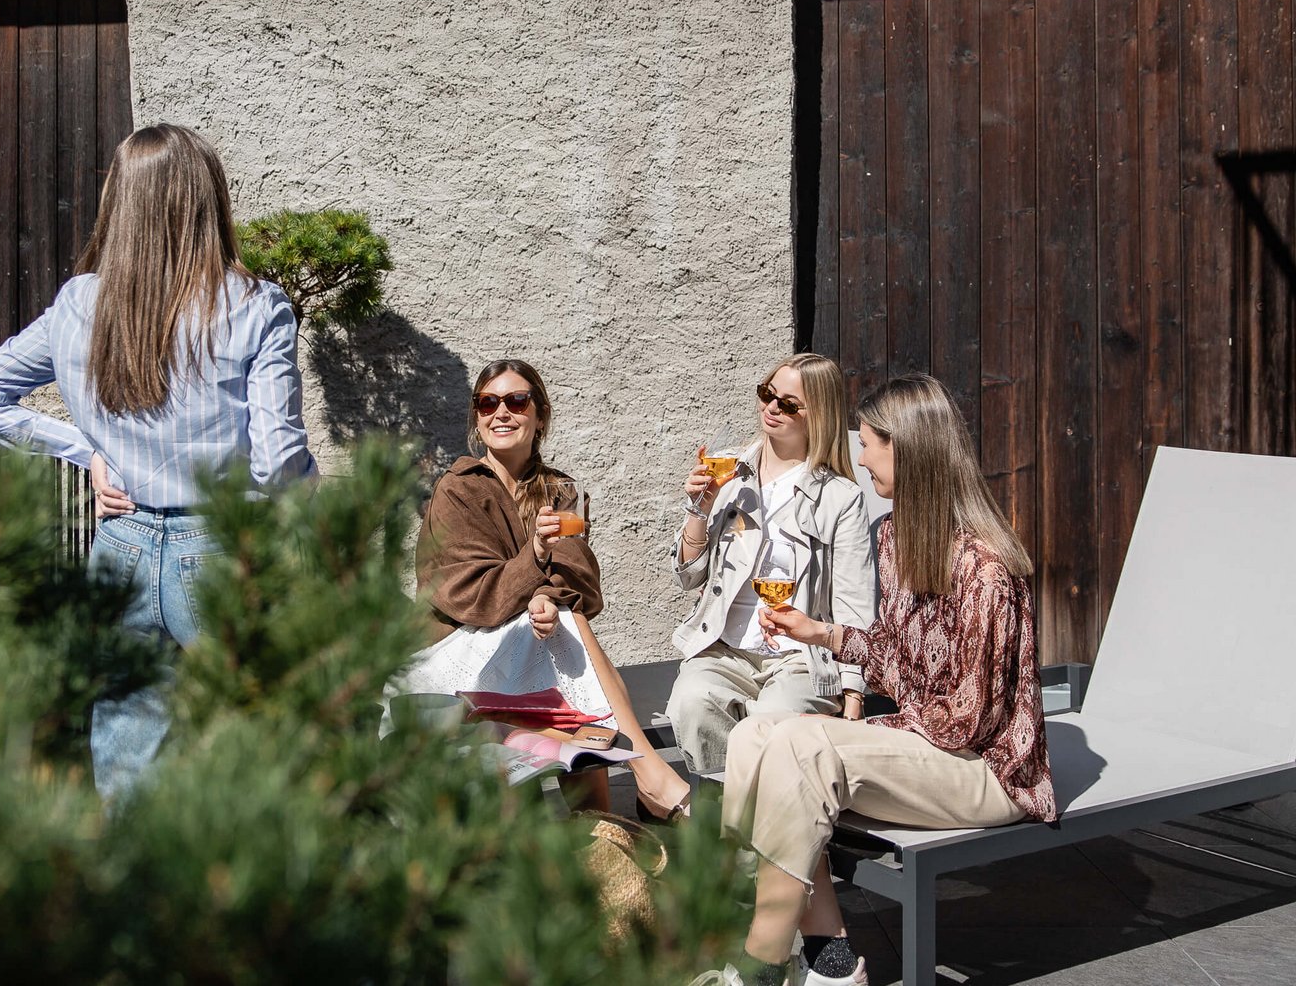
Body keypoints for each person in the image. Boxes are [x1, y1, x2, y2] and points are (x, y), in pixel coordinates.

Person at [0, 123, 316, 801]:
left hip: (122, 547)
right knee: (268, 743)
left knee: (126, 749)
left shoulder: (79, 303)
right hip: (223, 547)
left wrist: (88, 451)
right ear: (209, 199)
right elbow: (277, 464)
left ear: (120, 199)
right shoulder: (256, 305)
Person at [696, 373, 1055, 986]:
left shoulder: (985, 569)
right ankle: (833, 959)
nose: (860, 460)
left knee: (804, 746)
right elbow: (899, 654)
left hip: (988, 771)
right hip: (928, 739)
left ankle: (759, 960)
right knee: (759, 735)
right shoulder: (896, 536)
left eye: (869, 446)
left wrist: (858, 730)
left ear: (911, 450)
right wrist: (822, 633)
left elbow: (967, 721)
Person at [411, 359, 694, 820]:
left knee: (566, 623)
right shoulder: (457, 490)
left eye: (516, 400)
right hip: (459, 650)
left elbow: (583, 580)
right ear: (477, 418)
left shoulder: (561, 491)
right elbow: (470, 595)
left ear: (539, 415)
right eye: (487, 403)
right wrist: (538, 564)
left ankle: (603, 836)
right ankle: (641, 779)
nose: (501, 412)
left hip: (535, 641)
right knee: (569, 626)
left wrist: (546, 596)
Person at [666, 354, 874, 774]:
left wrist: (853, 696)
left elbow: (856, 606)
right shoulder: (730, 477)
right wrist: (699, 509)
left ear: (820, 415)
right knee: (692, 702)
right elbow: (688, 576)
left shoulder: (840, 498)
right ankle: (725, 819)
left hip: (801, 657)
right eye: (767, 394)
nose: (772, 408)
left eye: (789, 404)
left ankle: (760, 826)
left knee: (772, 726)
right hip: (726, 651)